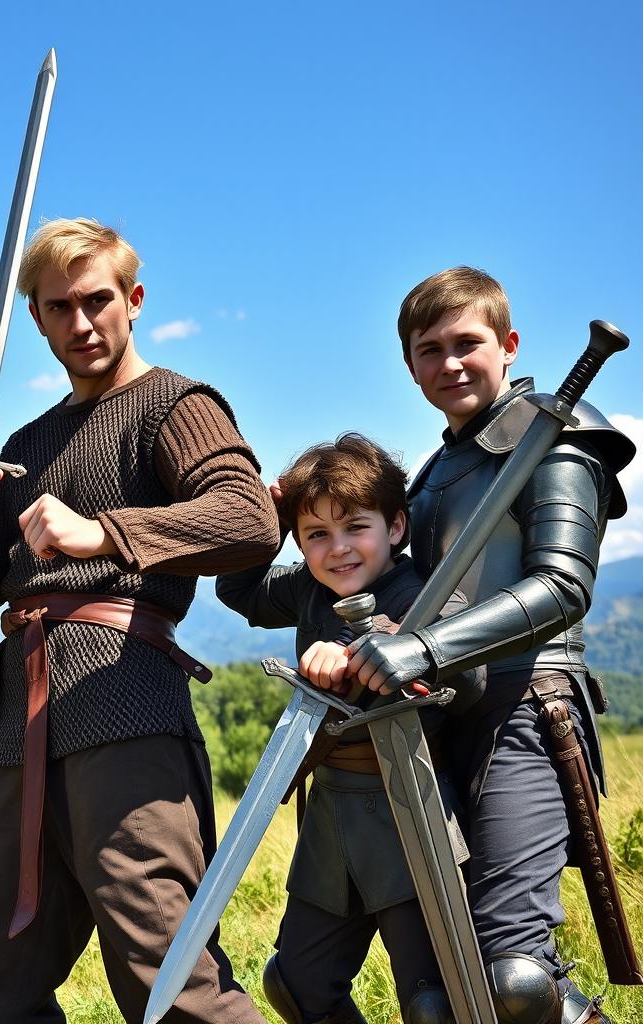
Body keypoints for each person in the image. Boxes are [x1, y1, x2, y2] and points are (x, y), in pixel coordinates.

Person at [0, 217, 281, 1023]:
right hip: (19, 728)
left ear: (135, 299)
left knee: (172, 985)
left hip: (128, 710)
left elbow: (246, 520)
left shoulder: (175, 403)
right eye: (60, 307)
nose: (81, 323)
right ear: (37, 318)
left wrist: (107, 532)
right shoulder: (24, 442)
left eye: (98, 301)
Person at [344, 268, 636, 1024]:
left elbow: (563, 589)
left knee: (513, 982)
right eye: (429, 349)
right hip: (440, 719)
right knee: (443, 990)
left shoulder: (557, 431)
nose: (450, 363)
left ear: (507, 345)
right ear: (410, 365)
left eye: (467, 343)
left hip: (528, 710)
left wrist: (424, 650)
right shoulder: (433, 474)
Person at [216, 433, 481, 1024]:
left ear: (396, 527)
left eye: (355, 527)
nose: (337, 550)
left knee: (435, 1004)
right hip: (332, 813)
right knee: (298, 984)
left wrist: (387, 646)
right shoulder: (311, 585)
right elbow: (239, 591)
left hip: (408, 809)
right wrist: (270, 519)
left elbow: (471, 680)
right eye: (316, 534)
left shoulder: (424, 594)